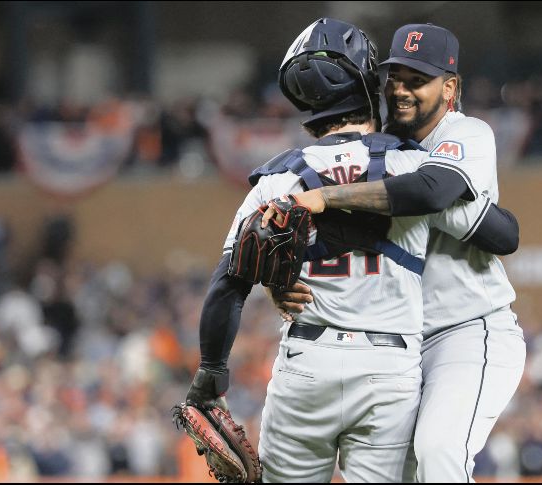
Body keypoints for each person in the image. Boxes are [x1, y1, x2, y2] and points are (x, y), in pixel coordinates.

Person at [185, 18, 515, 483]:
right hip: (391, 361)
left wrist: (211, 374)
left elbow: (226, 284)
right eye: (394, 78)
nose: (399, 89)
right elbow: (502, 234)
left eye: (414, 80)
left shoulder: (279, 181)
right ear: (369, 83)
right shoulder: (412, 167)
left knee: (440, 455)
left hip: (312, 360)